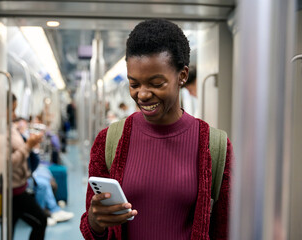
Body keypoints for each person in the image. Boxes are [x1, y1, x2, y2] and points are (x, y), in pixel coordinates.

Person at [80, 19, 233, 240]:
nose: (142, 94)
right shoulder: (109, 141)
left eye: (156, 83)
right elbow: (90, 229)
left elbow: (224, 228)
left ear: (182, 75)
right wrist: (96, 221)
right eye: (134, 84)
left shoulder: (213, 145)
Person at [7, 93, 47, 239]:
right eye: (11, 110)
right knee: (40, 220)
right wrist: (28, 146)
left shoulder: (11, 128)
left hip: (19, 186)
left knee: (9, 230)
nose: (14, 114)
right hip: (12, 191)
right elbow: (7, 163)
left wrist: (30, 143)